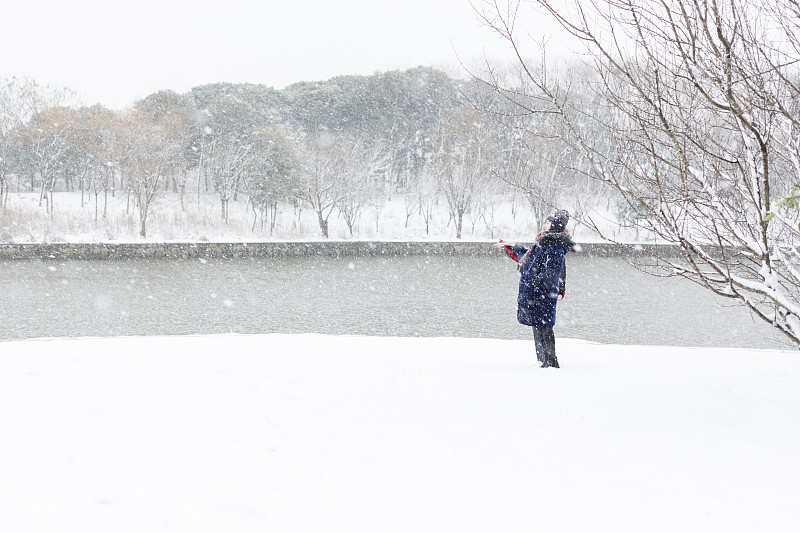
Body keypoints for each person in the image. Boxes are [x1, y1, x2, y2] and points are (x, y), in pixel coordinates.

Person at [494, 209, 576, 368]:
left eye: (548, 223)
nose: (544, 226)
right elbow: (529, 259)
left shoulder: (554, 245)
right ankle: (543, 361)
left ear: (555, 226)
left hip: (543, 294)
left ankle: (550, 362)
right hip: (537, 293)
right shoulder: (544, 242)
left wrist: (537, 283)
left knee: (544, 327)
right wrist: (511, 245)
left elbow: (552, 270)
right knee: (539, 326)